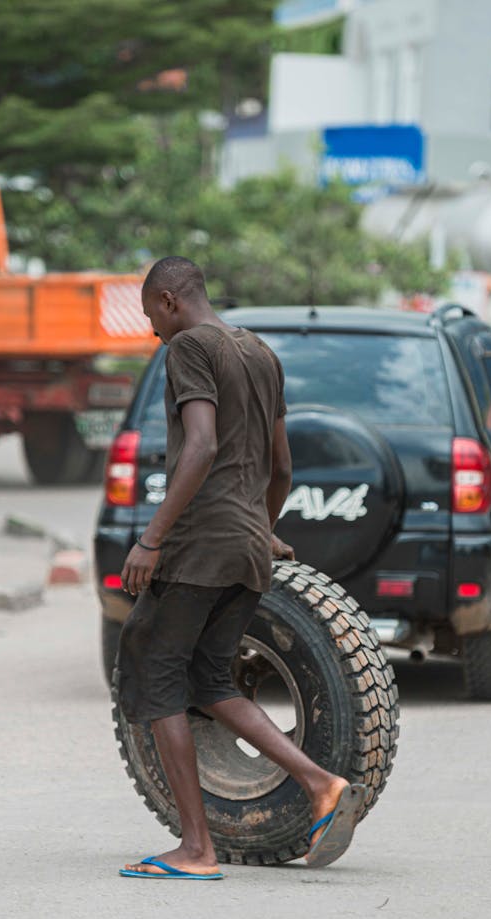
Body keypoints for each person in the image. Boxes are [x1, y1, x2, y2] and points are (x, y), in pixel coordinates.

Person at [117, 256, 365, 880]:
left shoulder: (190, 350)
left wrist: (152, 539)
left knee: (155, 675)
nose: (152, 331)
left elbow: (199, 446)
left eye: (151, 315)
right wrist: (262, 527)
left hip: (199, 544)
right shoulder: (259, 353)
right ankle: (320, 785)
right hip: (247, 548)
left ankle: (197, 849)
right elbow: (281, 467)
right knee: (210, 682)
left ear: (170, 299)